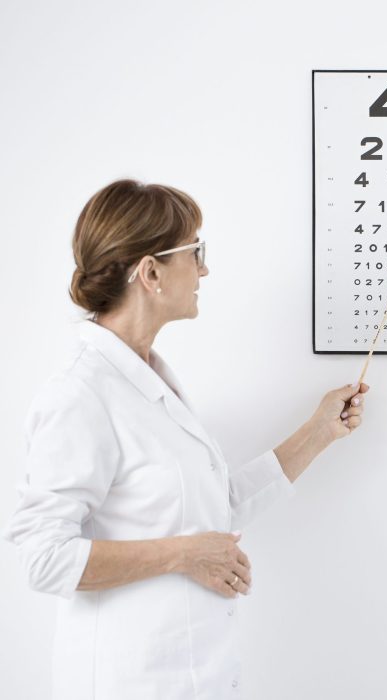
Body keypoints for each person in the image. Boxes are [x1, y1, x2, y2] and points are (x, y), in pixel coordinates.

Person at [5, 179, 367, 698]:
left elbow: (211, 513)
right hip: (125, 682)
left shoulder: (149, 379)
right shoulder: (80, 394)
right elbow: (44, 557)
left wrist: (319, 432)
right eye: (195, 252)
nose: (204, 269)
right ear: (151, 272)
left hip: (191, 677)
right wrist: (183, 555)